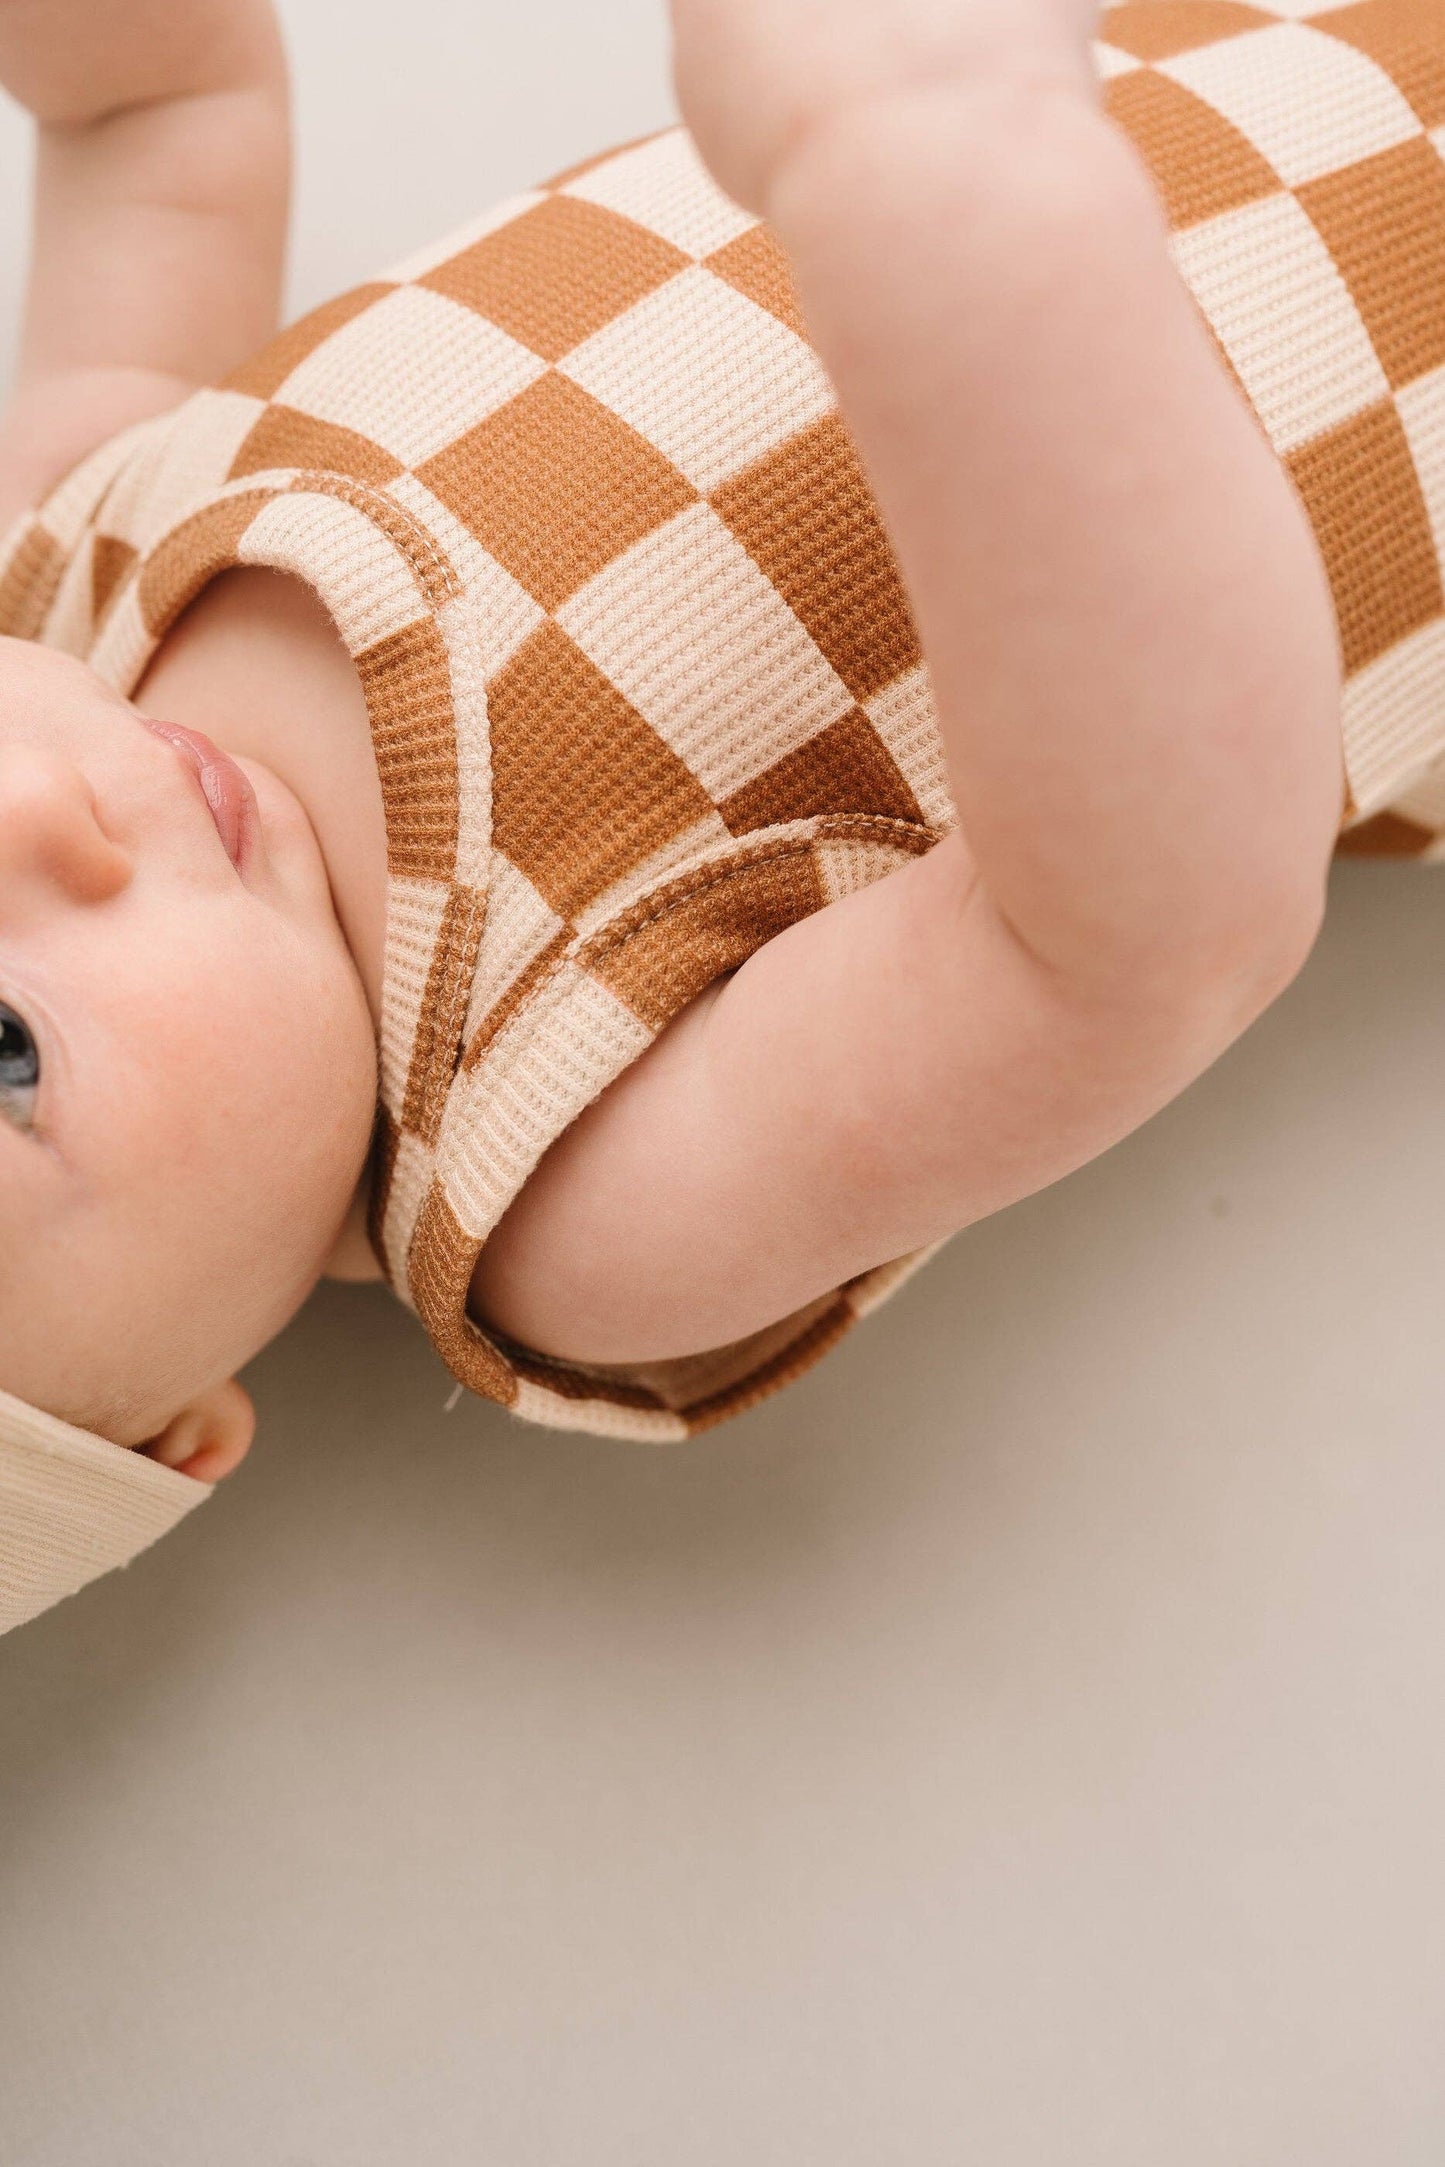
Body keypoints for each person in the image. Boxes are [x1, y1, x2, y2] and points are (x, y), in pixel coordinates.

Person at [1, 0, 1440, 1632]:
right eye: (9, 1049)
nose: (38, 812)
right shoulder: (565, 1181)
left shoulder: (62, 553)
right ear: (159, 1433)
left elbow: (155, 116)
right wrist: (969, 213)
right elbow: (1140, 943)